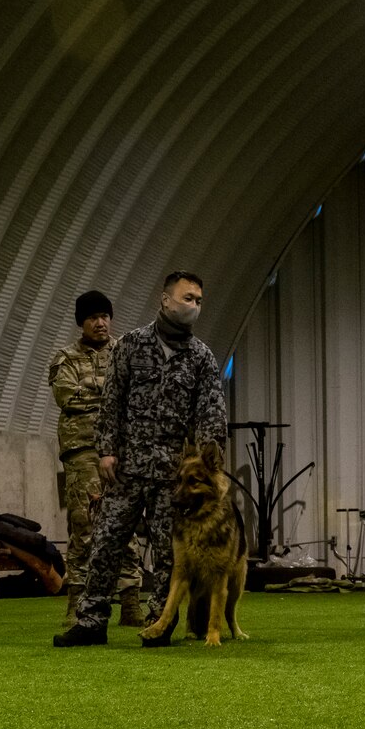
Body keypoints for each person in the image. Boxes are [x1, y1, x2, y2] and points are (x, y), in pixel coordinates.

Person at [53, 271, 228, 647]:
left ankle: (159, 624)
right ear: (165, 300)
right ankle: (91, 621)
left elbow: (211, 417)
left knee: (168, 554)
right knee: (105, 543)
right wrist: (106, 451)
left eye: (198, 300)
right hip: (126, 469)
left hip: (173, 476)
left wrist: (210, 467)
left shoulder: (201, 358)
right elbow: (111, 403)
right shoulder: (131, 346)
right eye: (187, 298)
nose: (194, 306)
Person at [47, 289, 145, 627]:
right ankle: (77, 603)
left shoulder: (125, 352)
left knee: (125, 526)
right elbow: (67, 397)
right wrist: (111, 394)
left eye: (104, 316)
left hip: (121, 452)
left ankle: (131, 602)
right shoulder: (66, 358)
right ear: (82, 323)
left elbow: (138, 397)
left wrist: (99, 392)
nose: (100, 323)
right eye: (93, 318)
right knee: (84, 527)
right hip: (83, 453)